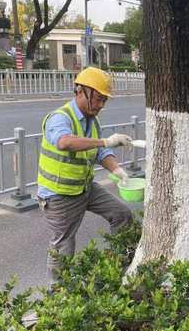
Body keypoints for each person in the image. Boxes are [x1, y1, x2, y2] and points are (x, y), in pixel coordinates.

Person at [37, 66, 134, 280]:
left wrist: (117, 169)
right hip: (59, 194)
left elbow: (100, 151)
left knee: (122, 215)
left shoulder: (92, 120)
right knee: (63, 245)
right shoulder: (60, 118)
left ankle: (116, 270)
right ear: (80, 91)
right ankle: (58, 297)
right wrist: (106, 140)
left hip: (84, 187)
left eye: (104, 101)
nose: (100, 105)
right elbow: (64, 142)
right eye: (98, 99)